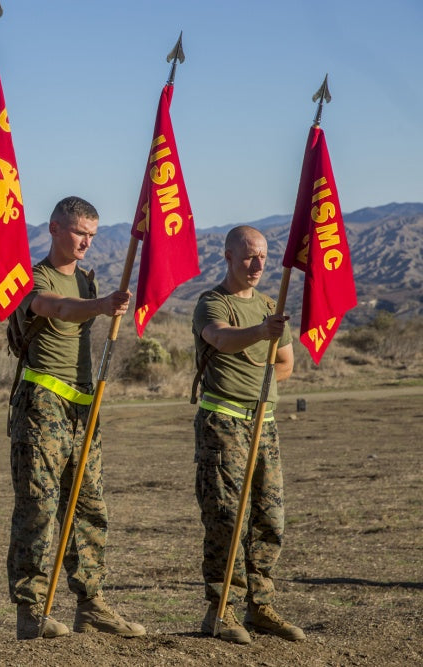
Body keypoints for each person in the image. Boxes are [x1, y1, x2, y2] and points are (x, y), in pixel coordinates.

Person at [6, 196, 145, 641]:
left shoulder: (87, 280)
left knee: (88, 509)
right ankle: (31, 610)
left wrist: (100, 300)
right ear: (53, 229)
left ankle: (92, 604)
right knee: (39, 509)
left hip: (83, 409)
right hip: (42, 405)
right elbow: (57, 310)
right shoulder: (31, 277)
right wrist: (102, 305)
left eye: (91, 234)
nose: (85, 241)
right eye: (77, 231)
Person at [193, 225, 305, 644]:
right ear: (227, 257)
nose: (257, 265)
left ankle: (260, 607)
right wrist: (260, 332)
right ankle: (221, 611)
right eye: (247, 257)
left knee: (269, 519)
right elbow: (220, 339)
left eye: (262, 257)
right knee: (226, 518)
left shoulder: (269, 306)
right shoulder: (212, 303)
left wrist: (260, 383)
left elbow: (286, 364)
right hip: (222, 425)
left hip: (265, 424)